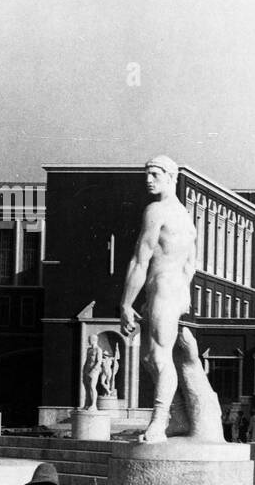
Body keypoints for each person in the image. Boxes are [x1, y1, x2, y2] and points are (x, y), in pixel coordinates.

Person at [119, 155, 196, 443]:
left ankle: (159, 422)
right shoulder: (186, 217)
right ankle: (175, 416)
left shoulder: (156, 211)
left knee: (160, 358)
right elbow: (191, 264)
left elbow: (140, 260)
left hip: (162, 286)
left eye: (154, 174)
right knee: (152, 358)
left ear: (170, 176)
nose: (148, 180)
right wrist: (182, 292)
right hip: (171, 288)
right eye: (147, 175)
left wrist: (125, 303)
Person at [80, 336, 102, 410]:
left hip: (94, 371)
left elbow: (99, 361)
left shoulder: (98, 349)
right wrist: (83, 370)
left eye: (89, 340)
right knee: (87, 388)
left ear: (94, 340)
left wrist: (93, 370)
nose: (88, 341)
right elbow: (87, 360)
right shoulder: (89, 349)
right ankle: (87, 404)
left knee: (92, 387)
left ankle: (94, 405)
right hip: (87, 369)